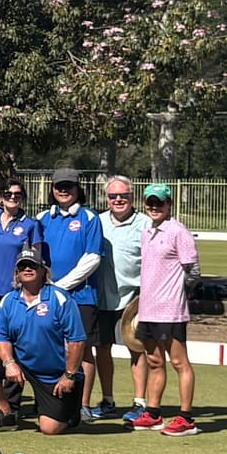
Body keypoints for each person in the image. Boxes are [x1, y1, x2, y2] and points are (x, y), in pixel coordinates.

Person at [0, 244, 89, 435]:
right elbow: (1, 336)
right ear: (17, 273)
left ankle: (70, 413)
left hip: (55, 373)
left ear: (43, 271)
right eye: (22, 267)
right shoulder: (8, 300)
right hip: (23, 362)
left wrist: (69, 375)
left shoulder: (60, 298)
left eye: (33, 266)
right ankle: (6, 411)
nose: (27, 270)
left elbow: (77, 340)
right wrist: (9, 362)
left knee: (50, 428)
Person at [133, 183, 201, 434]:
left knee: (178, 362)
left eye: (159, 202)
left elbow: (193, 271)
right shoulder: (147, 232)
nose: (154, 206)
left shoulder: (178, 231)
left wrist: (176, 294)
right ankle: (153, 413)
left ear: (169, 204)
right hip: (148, 309)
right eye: (150, 202)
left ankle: (186, 418)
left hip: (170, 311)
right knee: (153, 361)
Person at [37, 171, 104, 398]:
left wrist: (61, 286)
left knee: (82, 350)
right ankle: (53, 398)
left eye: (69, 186)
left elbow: (92, 257)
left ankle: (83, 403)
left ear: (78, 189)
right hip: (47, 295)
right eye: (59, 187)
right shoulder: (43, 218)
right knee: (51, 348)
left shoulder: (89, 217)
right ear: (52, 190)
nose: (63, 191)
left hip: (81, 296)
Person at [0, 176, 42, 391]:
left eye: (17, 194)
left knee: (14, 346)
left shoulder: (31, 225)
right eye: (8, 194)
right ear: (0, 197)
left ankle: (12, 403)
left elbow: (36, 260)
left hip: (15, 294)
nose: (12, 197)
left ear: (23, 198)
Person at [93, 174, 144, 419]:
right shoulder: (98, 221)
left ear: (132, 197)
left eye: (123, 195)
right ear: (107, 198)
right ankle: (108, 401)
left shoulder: (145, 224)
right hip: (102, 298)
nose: (118, 200)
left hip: (134, 300)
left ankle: (140, 403)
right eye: (113, 196)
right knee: (102, 349)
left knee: (137, 350)